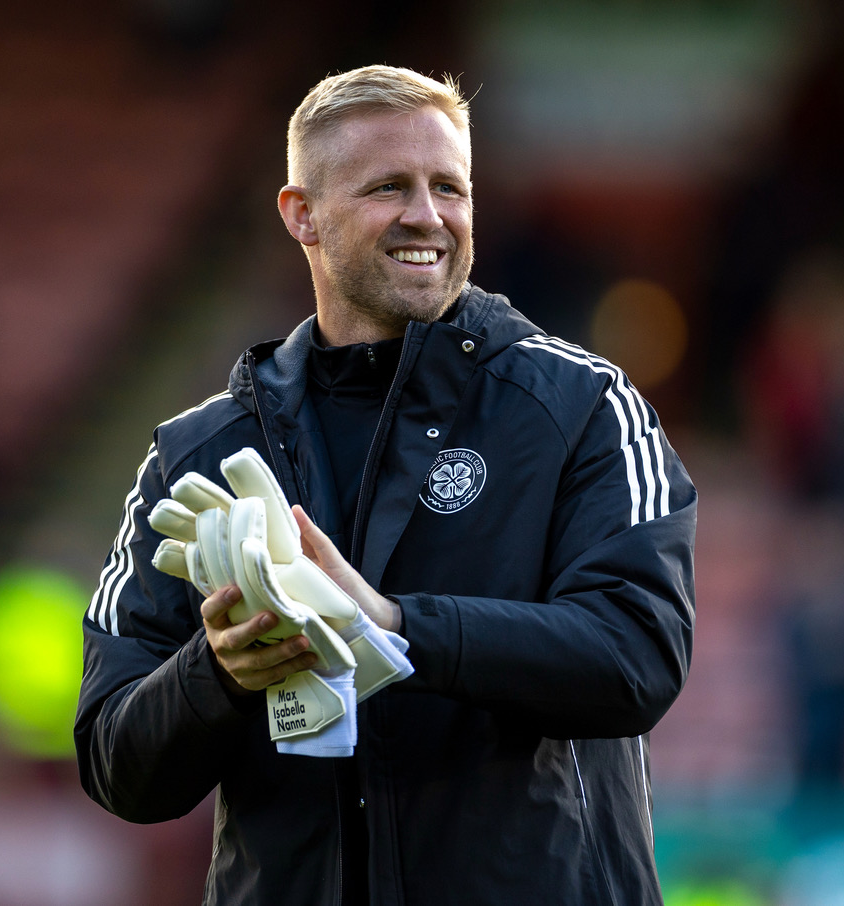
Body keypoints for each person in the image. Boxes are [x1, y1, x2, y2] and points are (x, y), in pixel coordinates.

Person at [75, 64, 697, 905]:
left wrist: (398, 628)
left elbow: (638, 656)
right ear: (302, 216)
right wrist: (219, 672)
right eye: (389, 187)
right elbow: (115, 763)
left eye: (450, 187)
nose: (428, 216)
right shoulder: (196, 455)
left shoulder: (581, 406)